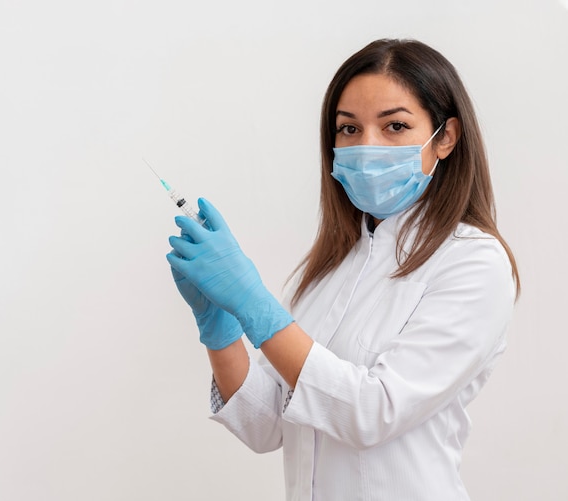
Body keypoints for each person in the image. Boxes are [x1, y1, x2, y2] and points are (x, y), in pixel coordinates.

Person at [166, 38, 520, 501]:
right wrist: (219, 324)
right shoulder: (333, 266)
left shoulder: (474, 263)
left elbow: (374, 412)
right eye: (349, 130)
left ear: (446, 138)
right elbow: (266, 426)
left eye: (394, 125)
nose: (367, 146)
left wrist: (254, 304)